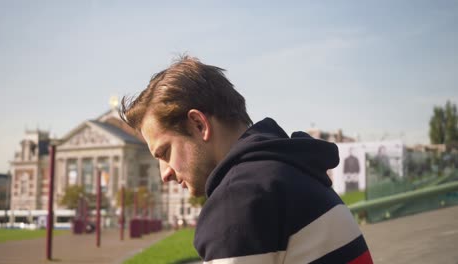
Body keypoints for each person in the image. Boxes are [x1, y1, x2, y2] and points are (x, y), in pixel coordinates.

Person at [120, 56, 373, 263]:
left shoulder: (238, 201)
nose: (164, 173)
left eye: (164, 153)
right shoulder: (291, 169)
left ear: (198, 124)